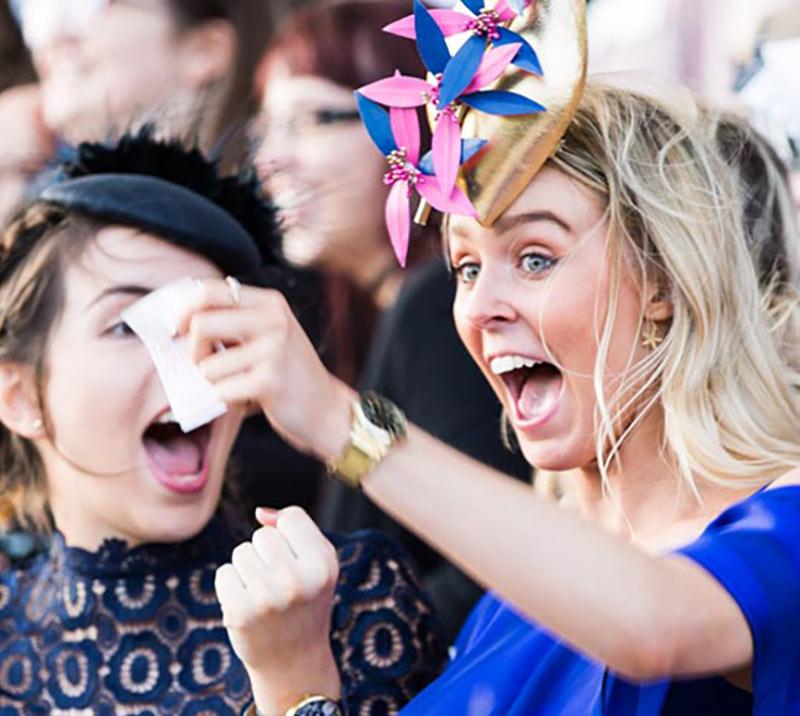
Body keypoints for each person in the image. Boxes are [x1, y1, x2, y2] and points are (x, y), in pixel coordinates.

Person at [170, 26, 800, 715]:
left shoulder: (781, 525)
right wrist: (296, 684)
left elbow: (658, 631)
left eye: (535, 257)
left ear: (663, 283)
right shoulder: (509, 606)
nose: (480, 308)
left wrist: (339, 420)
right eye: (467, 266)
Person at [0, 130, 446, 714]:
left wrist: (297, 681)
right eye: (130, 326)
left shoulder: (349, 594)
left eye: (214, 318)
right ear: (20, 396)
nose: (190, 355)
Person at [257, 0, 532, 640]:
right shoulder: (389, 310)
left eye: (309, 120)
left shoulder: (442, 306)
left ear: (426, 124)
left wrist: (339, 648)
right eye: (266, 128)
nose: (271, 159)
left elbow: (492, 566)